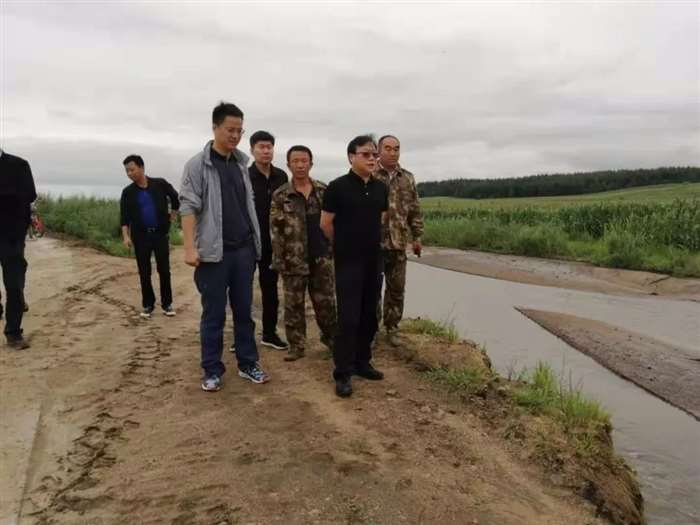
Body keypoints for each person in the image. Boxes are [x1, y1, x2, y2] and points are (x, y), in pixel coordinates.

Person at [179, 101, 269, 392]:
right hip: (213, 255)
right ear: (215, 127)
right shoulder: (198, 165)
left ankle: (248, 363)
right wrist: (190, 248)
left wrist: (255, 245)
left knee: (244, 311)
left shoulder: (241, 165)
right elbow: (188, 207)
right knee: (214, 314)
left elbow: (247, 205)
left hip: (243, 250)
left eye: (240, 130)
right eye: (230, 129)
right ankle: (211, 369)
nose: (235, 135)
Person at [320, 135, 388, 398]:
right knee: (348, 318)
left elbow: (381, 219)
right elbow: (326, 224)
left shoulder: (381, 188)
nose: (372, 159)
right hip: (348, 261)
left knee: (369, 315)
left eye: (374, 155)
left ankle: (362, 362)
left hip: (373, 259)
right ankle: (343, 372)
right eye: (366, 154)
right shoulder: (337, 187)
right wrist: (344, 245)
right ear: (351, 157)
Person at [270, 145, 336, 362]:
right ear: (288, 165)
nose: (300, 165)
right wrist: (279, 260)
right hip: (293, 260)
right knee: (294, 306)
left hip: (321, 258)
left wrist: (332, 251)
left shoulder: (323, 191)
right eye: (295, 161)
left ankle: (332, 340)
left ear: (311, 163)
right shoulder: (281, 195)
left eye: (304, 161)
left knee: (326, 303)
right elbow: (275, 231)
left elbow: (334, 224)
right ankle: (296, 345)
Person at [374, 135, 424, 346]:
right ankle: (371, 330)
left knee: (396, 288)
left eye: (396, 149)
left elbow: (414, 209)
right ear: (378, 151)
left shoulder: (407, 178)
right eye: (388, 148)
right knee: (373, 289)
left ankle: (392, 328)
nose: (393, 153)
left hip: (398, 242)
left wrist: (417, 237)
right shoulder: (370, 175)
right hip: (374, 243)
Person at [119, 155, 180, 319]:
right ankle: (148, 304)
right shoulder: (128, 192)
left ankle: (167, 304)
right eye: (127, 171)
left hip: (160, 234)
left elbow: (175, 197)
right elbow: (124, 217)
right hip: (140, 236)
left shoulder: (160, 184)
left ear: (141, 167)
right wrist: (126, 237)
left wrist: (173, 213)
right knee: (144, 272)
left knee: (164, 270)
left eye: (132, 169)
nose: (129, 173)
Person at [247, 130, 289, 350]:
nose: (266, 151)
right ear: (252, 150)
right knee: (242, 289)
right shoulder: (244, 176)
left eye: (269, 147)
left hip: (273, 242)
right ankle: (243, 335)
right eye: (261, 147)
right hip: (248, 240)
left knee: (270, 288)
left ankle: (269, 333)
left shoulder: (281, 176)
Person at [0, 149, 36, 349]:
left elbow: (30, 194)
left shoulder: (19, 165)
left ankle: (13, 332)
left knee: (13, 285)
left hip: (11, 236)